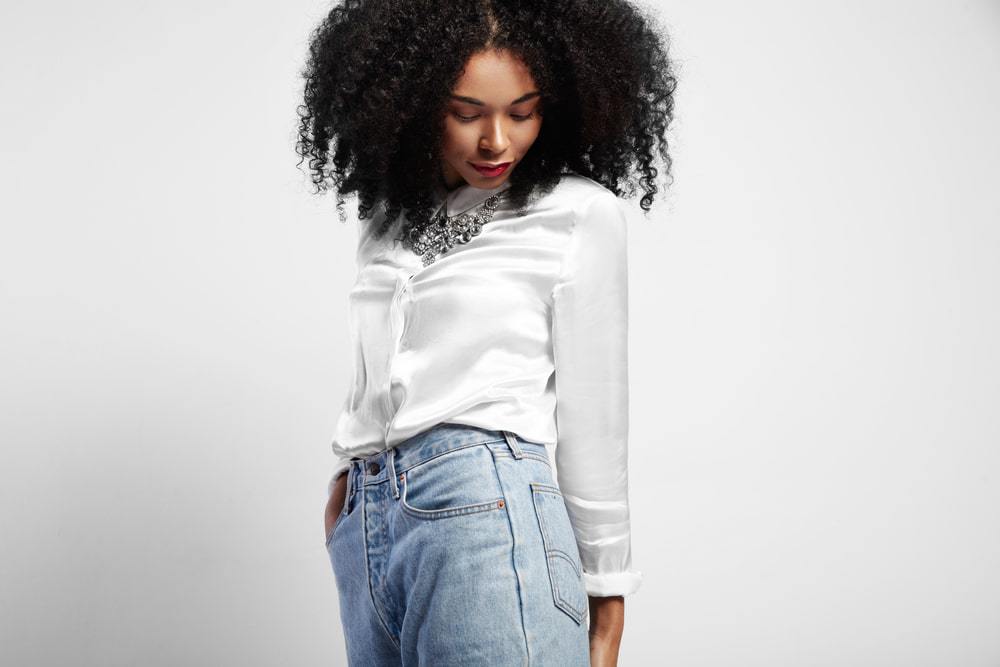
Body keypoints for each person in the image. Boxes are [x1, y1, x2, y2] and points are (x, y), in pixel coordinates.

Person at [296, 1, 676, 664]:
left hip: (483, 508)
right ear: (414, 103)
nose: (496, 139)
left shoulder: (576, 214)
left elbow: (595, 415)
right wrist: (344, 489)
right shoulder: (388, 220)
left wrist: (608, 595)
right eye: (467, 112)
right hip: (369, 529)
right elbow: (376, 375)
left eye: (520, 111)